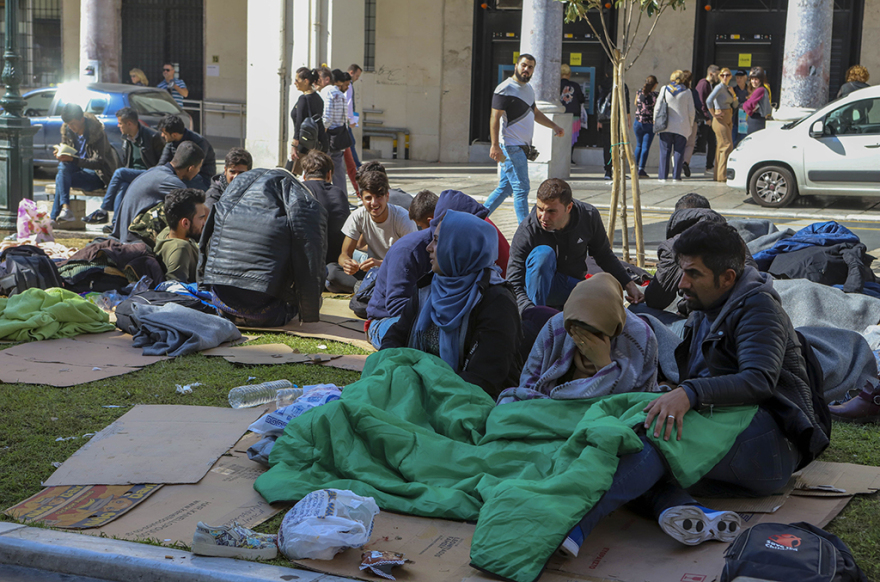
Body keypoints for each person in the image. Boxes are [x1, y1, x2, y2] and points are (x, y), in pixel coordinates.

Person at [558, 220, 830, 557]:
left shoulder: (758, 309)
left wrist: (690, 393)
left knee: (656, 434)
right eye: (681, 271)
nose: (682, 283)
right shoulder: (706, 305)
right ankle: (688, 511)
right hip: (727, 443)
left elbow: (758, 380)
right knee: (623, 443)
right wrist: (673, 390)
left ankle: (573, 523)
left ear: (727, 278)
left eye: (693, 274)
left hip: (769, 447)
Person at [380, 210, 522, 398]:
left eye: (437, 241)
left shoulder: (496, 302)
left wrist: (421, 387)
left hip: (466, 400)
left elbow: (483, 379)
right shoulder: (430, 287)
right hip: (420, 387)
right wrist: (391, 368)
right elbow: (396, 336)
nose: (429, 247)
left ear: (460, 247)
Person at [367, 189, 511, 350]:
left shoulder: (493, 289)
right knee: (431, 335)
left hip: (433, 317)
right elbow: (396, 308)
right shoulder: (409, 253)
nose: (429, 248)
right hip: (387, 318)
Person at [498, 273, 658, 404]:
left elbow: (639, 401)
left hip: (603, 414)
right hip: (551, 407)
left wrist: (603, 365)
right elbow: (528, 384)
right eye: (577, 330)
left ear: (613, 329)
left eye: (595, 332)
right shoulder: (557, 327)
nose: (585, 339)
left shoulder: (638, 337)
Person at [200, 168, 328, 326]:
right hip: (268, 314)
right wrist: (309, 310)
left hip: (223, 305)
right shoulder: (298, 201)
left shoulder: (232, 195)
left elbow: (206, 243)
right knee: (322, 269)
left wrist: (203, 284)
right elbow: (311, 259)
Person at [507, 178, 644, 314]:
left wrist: (629, 284)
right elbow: (513, 281)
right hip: (534, 291)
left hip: (569, 285)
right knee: (543, 254)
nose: (543, 217)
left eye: (551, 211)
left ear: (569, 208)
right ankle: (538, 316)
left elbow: (603, 255)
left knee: (607, 299)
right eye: (540, 209)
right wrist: (528, 311)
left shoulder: (588, 216)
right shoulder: (528, 229)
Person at [485, 54, 565, 224]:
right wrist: (494, 145)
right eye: (523, 65)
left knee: (506, 187)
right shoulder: (504, 88)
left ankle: (476, 217)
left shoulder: (528, 89)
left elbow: (534, 113)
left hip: (521, 147)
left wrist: (554, 126)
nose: (526, 69)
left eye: (530, 67)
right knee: (521, 188)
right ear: (516, 66)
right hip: (510, 148)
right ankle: (526, 230)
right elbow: (494, 118)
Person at [326, 170, 418, 294]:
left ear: (387, 196)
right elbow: (344, 255)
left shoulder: (403, 218)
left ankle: (367, 290)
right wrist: (348, 264)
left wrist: (381, 264)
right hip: (370, 273)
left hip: (395, 271)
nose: (374, 203)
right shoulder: (358, 216)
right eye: (368, 198)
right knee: (331, 271)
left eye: (379, 197)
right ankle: (367, 289)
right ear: (361, 198)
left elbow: (411, 261)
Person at [83, 107, 165, 227]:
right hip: (134, 176)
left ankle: (103, 210)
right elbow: (127, 162)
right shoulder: (126, 138)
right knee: (123, 186)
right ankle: (115, 225)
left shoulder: (152, 137)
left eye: (120, 123)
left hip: (149, 174)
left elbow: (160, 164)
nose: (118, 126)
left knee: (120, 172)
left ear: (129, 124)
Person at [111, 141, 204, 244]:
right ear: (191, 168)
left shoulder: (156, 171)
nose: (198, 172)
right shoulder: (172, 182)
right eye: (199, 168)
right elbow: (196, 212)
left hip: (123, 236)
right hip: (133, 243)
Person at [51, 103, 120, 222]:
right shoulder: (68, 131)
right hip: (78, 171)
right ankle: (65, 209)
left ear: (82, 120)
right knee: (62, 170)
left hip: (97, 176)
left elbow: (98, 163)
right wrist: (61, 154)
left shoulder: (97, 134)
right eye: (68, 124)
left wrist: (73, 160)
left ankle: (54, 218)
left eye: (73, 123)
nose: (70, 127)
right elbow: (67, 153)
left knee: (60, 179)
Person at [299, 150, 351, 266]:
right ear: (329, 175)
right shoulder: (339, 193)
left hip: (308, 262)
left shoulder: (299, 190)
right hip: (336, 260)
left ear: (304, 176)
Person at [154, 188, 208, 283]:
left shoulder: (168, 231)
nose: (204, 223)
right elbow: (177, 287)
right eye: (201, 218)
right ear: (185, 223)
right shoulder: (180, 248)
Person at [156, 114, 217, 190]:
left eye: (165, 133)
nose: (162, 135)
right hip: (181, 174)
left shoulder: (199, 142)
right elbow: (162, 163)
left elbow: (194, 169)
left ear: (174, 135)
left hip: (201, 177)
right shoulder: (171, 142)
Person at [655, 70, 695, 182]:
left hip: (665, 126)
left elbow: (657, 107)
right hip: (682, 126)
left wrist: (655, 121)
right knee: (679, 152)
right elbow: (691, 112)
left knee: (664, 152)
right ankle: (676, 176)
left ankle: (662, 176)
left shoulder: (664, 89)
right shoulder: (687, 92)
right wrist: (690, 125)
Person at [596, 69, 631, 181]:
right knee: (619, 144)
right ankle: (618, 170)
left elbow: (598, 102)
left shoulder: (602, 85)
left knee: (607, 145)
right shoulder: (622, 85)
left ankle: (608, 171)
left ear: (607, 74)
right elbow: (626, 103)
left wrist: (599, 119)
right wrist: (628, 119)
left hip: (605, 119)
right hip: (618, 118)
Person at [289, 67, 325, 174]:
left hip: (303, 143)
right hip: (316, 143)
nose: (295, 83)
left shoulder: (303, 99)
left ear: (306, 81)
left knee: (290, 174)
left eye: (297, 80)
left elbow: (299, 123)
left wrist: (294, 145)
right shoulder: (318, 99)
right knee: (311, 174)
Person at [321, 69, 351, 194]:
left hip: (329, 135)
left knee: (323, 168)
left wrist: (323, 131)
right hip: (339, 137)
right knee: (338, 171)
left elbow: (327, 117)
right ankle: (342, 196)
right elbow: (345, 118)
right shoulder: (341, 95)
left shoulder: (328, 92)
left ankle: (324, 195)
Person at [706, 67, 738, 183]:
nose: (725, 77)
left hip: (728, 117)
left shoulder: (728, 88)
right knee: (727, 145)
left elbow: (735, 105)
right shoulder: (719, 87)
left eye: (727, 75)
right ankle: (722, 176)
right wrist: (714, 114)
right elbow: (708, 100)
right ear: (719, 76)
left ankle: (718, 175)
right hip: (721, 118)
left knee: (721, 146)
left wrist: (733, 94)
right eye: (723, 75)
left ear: (730, 76)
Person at [633, 75, 659, 178]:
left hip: (638, 122)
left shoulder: (639, 92)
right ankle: (641, 169)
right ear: (655, 85)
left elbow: (635, 103)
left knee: (638, 145)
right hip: (649, 123)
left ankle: (634, 168)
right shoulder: (655, 95)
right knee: (645, 147)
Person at [695, 65, 719, 174]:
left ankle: (709, 166)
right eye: (717, 74)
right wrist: (707, 117)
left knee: (712, 143)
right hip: (704, 119)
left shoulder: (710, 85)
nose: (718, 77)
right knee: (700, 143)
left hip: (709, 118)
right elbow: (701, 102)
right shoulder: (703, 84)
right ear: (711, 74)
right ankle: (683, 161)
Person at [559, 64, 586, 162]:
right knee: (572, 137)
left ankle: (559, 157)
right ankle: (569, 158)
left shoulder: (556, 85)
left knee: (560, 137)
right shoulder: (575, 85)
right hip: (574, 116)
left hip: (560, 115)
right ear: (569, 74)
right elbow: (582, 99)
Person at [680, 70, 702, 178]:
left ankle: (676, 164)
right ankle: (685, 162)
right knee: (690, 143)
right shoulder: (692, 92)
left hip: (679, 120)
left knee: (679, 143)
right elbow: (699, 105)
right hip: (691, 120)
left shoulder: (677, 91)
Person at [344, 64, 363, 188]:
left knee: (351, 144)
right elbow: (349, 103)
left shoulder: (348, 85)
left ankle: (357, 166)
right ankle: (357, 167)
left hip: (346, 120)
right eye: (357, 75)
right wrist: (351, 119)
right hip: (346, 121)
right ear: (351, 72)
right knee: (350, 144)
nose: (357, 78)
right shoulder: (348, 85)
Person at [743, 66, 771, 134]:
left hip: (756, 121)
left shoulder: (760, 90)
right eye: (752, 79)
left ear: (760, 80)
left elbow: (748, 105)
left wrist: (745, 106)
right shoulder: (764, 88)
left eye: (756, 79)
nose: (753, 81)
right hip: (759, 120)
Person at [731, 70, 750, 145]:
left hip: (746, 121)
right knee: (733, 142)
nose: (738, 80)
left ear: (745, 78)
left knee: (744, 142)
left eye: (740, 78)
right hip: (734, 120)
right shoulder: (733, 90)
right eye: (737, 78)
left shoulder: (750, 90)